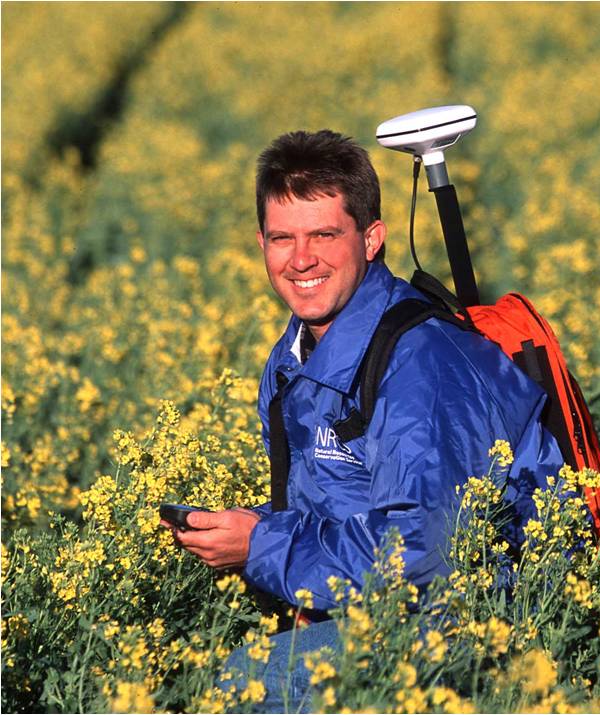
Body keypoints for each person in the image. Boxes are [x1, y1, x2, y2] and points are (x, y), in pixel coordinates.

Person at [166, 129, 563, 710]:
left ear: (372, 238)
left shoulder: (417, 362)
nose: (301, 260)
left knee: (254, 678)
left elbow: (426, 553)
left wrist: (260, 545)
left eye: (324, 235)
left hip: (481, 616)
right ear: (261, 243)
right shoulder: (296, 354)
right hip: (388, 603)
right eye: (282, 238)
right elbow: (341, 501)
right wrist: (241, 529)